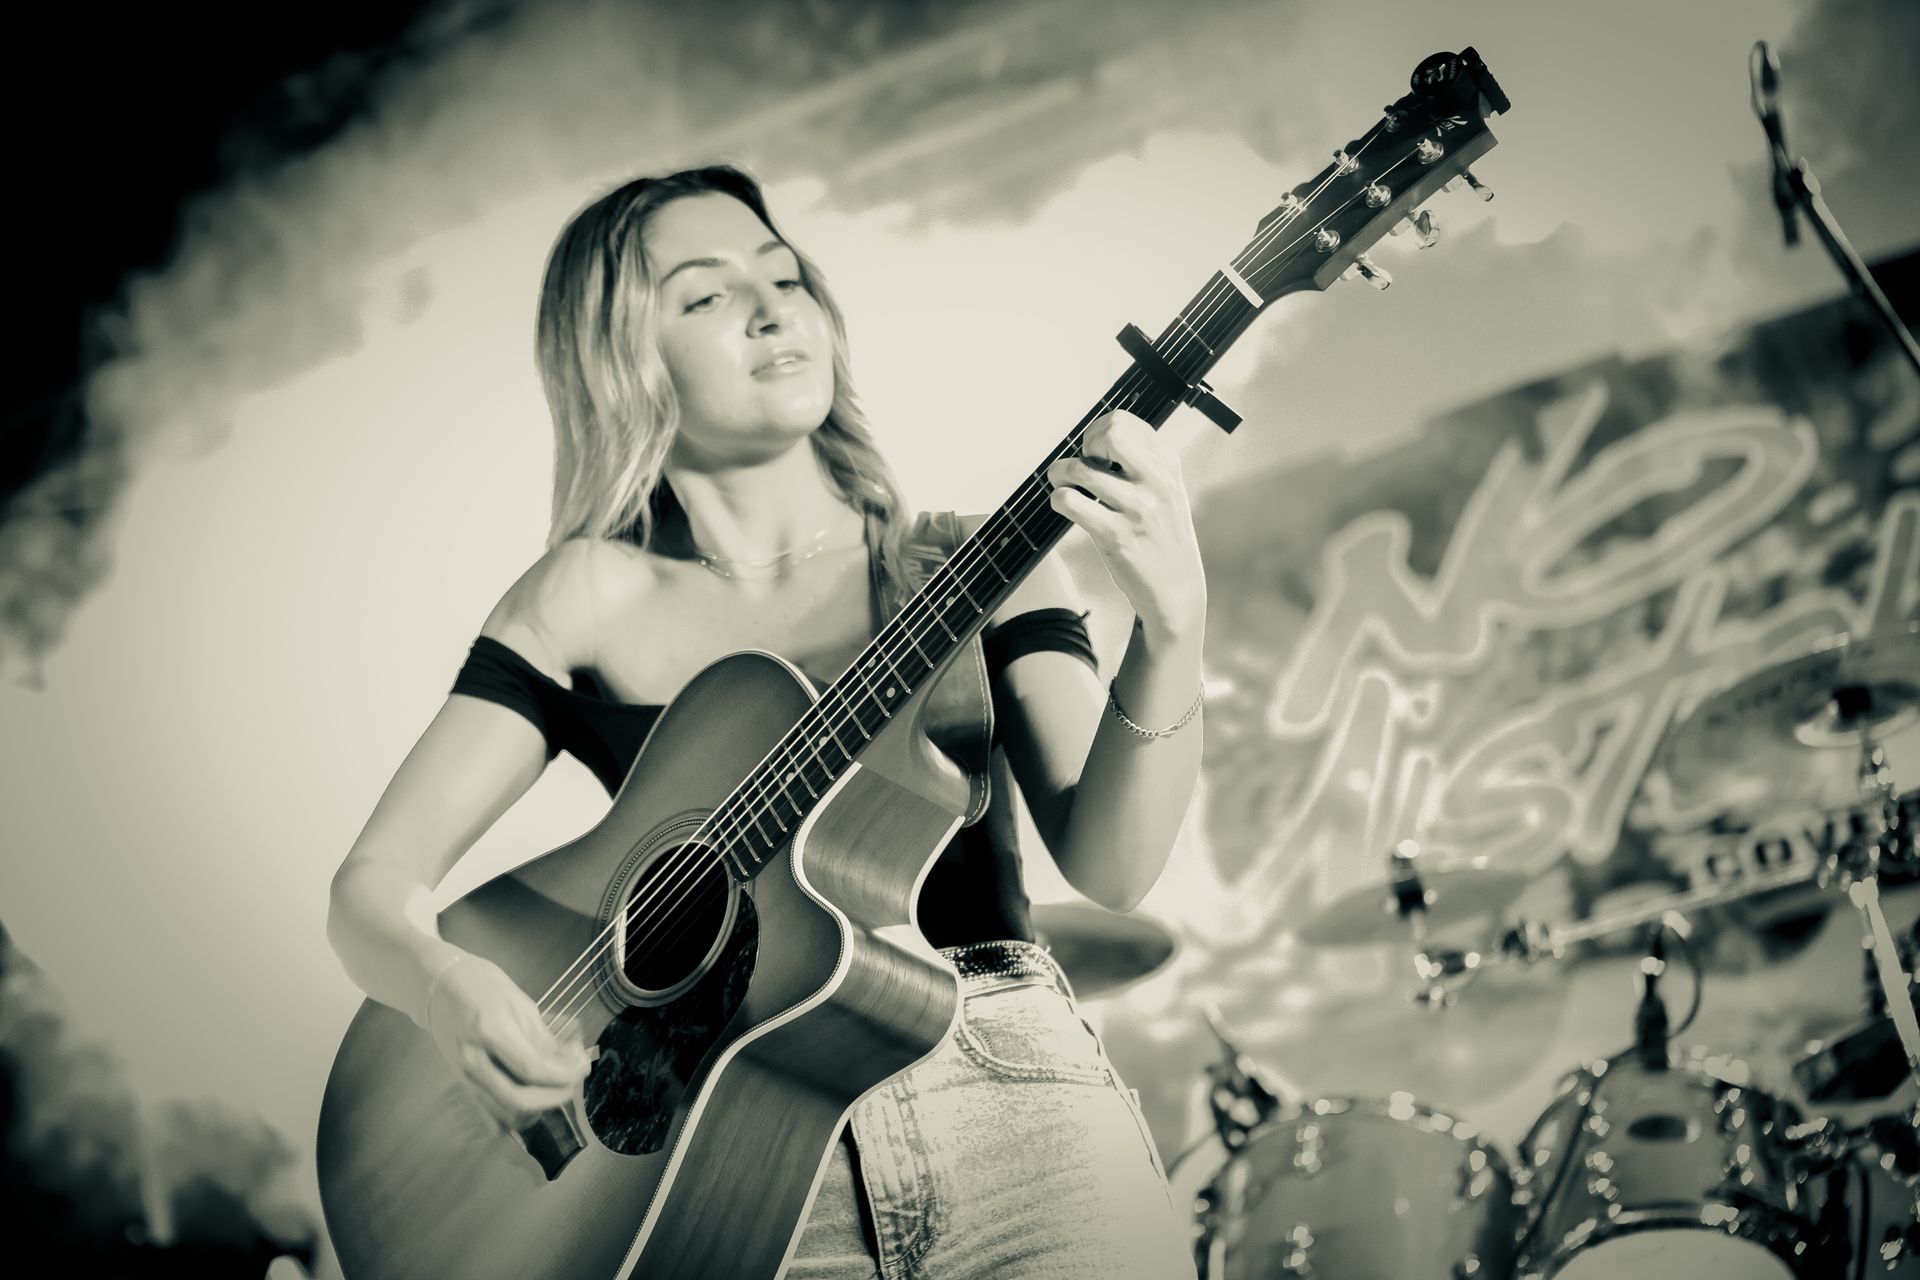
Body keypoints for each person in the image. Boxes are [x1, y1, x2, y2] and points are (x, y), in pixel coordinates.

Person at [327, 163, 1206, 1279]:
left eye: (784, 278)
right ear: (621, 359)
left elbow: (1115, 866)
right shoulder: (585, 598)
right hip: (726, 1157)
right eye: (705, 294)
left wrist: (1174, 632)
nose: (769, 308)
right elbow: (370, 889)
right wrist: (447, 989)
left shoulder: (968, 559)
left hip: (1010, 1107)